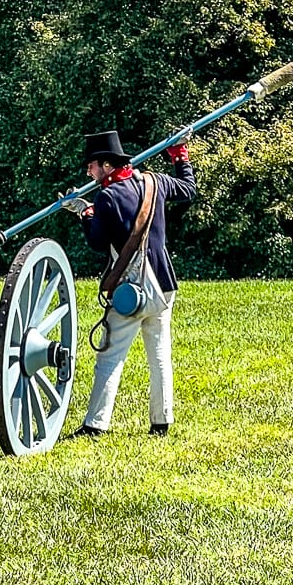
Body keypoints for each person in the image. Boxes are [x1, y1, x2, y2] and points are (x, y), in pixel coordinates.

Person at [71, 128, 196, 440]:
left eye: (93, 166)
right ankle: (161, 421)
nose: (89, 171)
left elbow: (98, 242)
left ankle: (95, 424)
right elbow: (188, 188)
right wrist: (180, 156)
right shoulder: (155, 181)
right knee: (159, 354)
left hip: (131, 286)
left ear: (108, 166)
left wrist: (85, 213)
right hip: (164, 283)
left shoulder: (107, 197)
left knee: (110, 356)